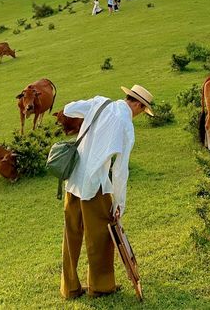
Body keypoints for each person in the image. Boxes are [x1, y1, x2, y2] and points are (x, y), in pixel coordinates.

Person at [60, 85, 154, 300]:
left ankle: (70, 289)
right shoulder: (125, 125)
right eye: (142, 110)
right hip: (96, 184)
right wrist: (119, 203)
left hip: (73, 180)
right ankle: (100, 287)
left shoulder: (100, 102)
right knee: (101, 238)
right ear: (138, 104)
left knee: (71, 235)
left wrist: (91, 113)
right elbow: (120, 170)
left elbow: (68, 108)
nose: (140, 114)